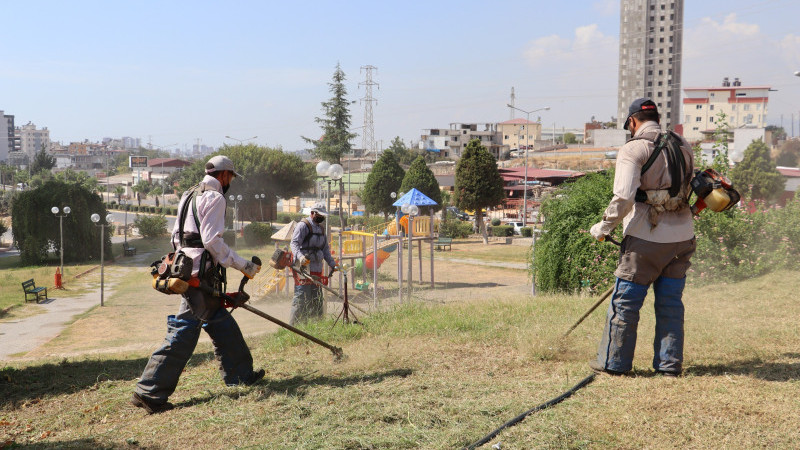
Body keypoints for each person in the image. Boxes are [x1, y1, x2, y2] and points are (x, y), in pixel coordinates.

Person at [132, 155, 263, 414]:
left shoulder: (189, 194)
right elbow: (212, 241)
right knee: (184, 331)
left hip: (184, 265)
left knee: (219, 321)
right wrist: (242, 265)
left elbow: (176, 235)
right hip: (199, 273)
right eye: (231, 178)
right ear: (224, 175)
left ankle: (241, 375)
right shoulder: (215, 198)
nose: (230, 183)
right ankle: (149, 391)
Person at [589, 98, 695, 377]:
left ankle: (614, 364)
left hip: (646, 240)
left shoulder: (633, 148)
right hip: (683, 238)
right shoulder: (684, 145)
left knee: (625, 304)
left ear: (632, 122)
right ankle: (669, 367)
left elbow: (624, 197)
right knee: (670, 304)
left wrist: (604, 227)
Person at [289, 202, 338, 325]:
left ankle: (315, 325)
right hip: (303, 267)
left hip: (317, 268)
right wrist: (300, 257)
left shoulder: (321, 229)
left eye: (323, 215)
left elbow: (325, 249)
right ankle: (294, 326)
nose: (321, 217)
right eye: (319, 214)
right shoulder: (303, 226)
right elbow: (294, 244)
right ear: (312, 213)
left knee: (316, 298)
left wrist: (333, 264)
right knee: (302, 297)